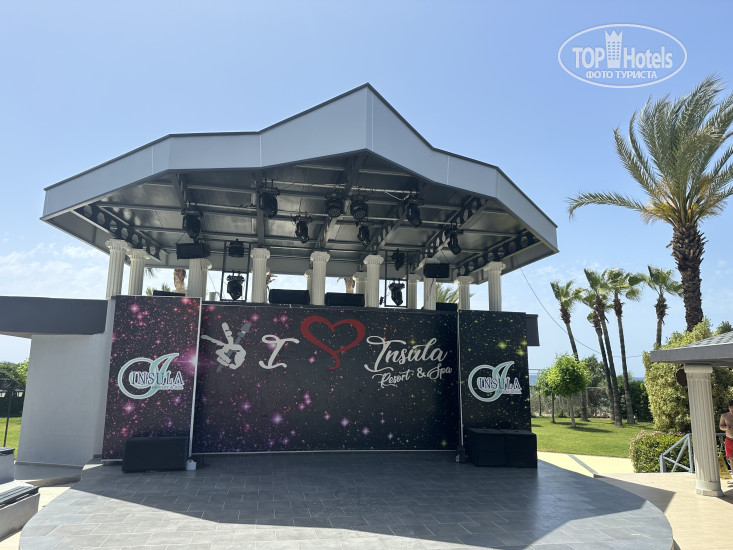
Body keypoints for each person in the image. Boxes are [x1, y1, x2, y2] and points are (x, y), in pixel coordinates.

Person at [720, 399, 733, 464]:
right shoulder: (724, 416)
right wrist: (726, 428)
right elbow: (721, 426)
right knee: (731, 458)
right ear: (729, 407)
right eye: (731, 407)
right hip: (729, 439)